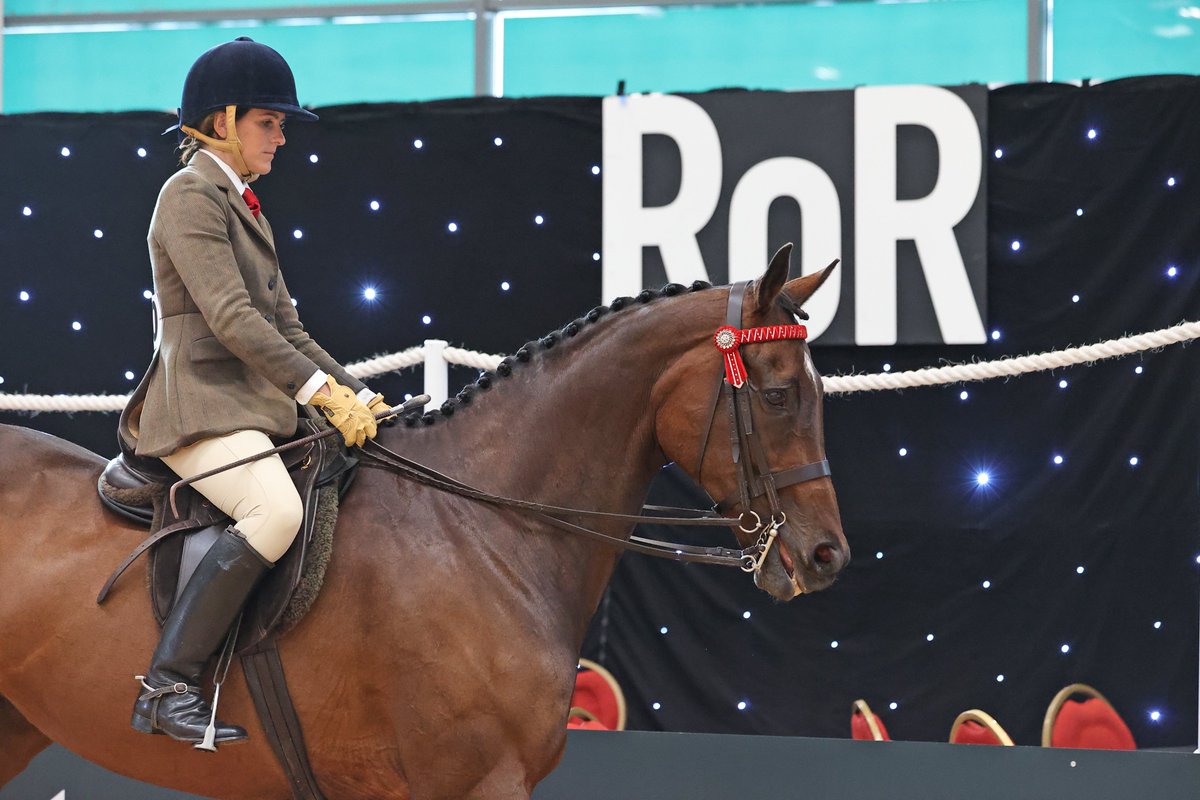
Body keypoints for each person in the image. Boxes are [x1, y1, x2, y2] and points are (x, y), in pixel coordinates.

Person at [118, 36, 386, 746]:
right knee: (273, 513)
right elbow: (233, 320)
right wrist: (321, 394)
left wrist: (360, 393)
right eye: (270, 122)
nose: (282, 136)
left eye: (282, 124)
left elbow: (288, 326)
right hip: (200, 406)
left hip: (254, 406)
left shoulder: (246, 206)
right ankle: (166, 686)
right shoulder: (187, 198)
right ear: (222, 121)